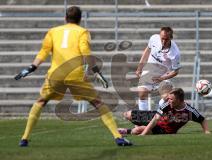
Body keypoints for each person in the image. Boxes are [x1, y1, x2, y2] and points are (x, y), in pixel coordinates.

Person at [14, 6, 132, 147]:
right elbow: (85, 53)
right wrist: (96, 71)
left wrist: (32, 67)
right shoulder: (82, 32)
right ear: (80, 19)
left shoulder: (53, 31)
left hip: (56, 74)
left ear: (65, 18)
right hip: (76, 75)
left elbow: (44, 51)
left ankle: (24, 138)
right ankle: (118, 137)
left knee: (41, 101)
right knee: (98, 102)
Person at [118, 88, 211, 135]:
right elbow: (155, 119)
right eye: (169, 98)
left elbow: (202, 120)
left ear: (179, 100)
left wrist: (207, 131)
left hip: (165, 130)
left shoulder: (189, 111)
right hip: (157, 118)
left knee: (136, 131)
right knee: (128, 114)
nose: (169, 101)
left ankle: (128, 131)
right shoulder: (167, 104)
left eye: (171, 99)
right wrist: (144, 133)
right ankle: (139, 127)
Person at [135, 27, 181, 110]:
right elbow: (147, 51)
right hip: (149, 70)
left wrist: (162, 78)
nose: (163, 41)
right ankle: (143, 119)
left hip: (163, 75)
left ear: (171, 38)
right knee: (142, 93)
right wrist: (139, 68)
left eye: (166, 39)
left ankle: (158, 115)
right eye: (162, 38)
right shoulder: (154, 38)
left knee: (167, 98)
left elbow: (176, 71)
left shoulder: (175, 53)